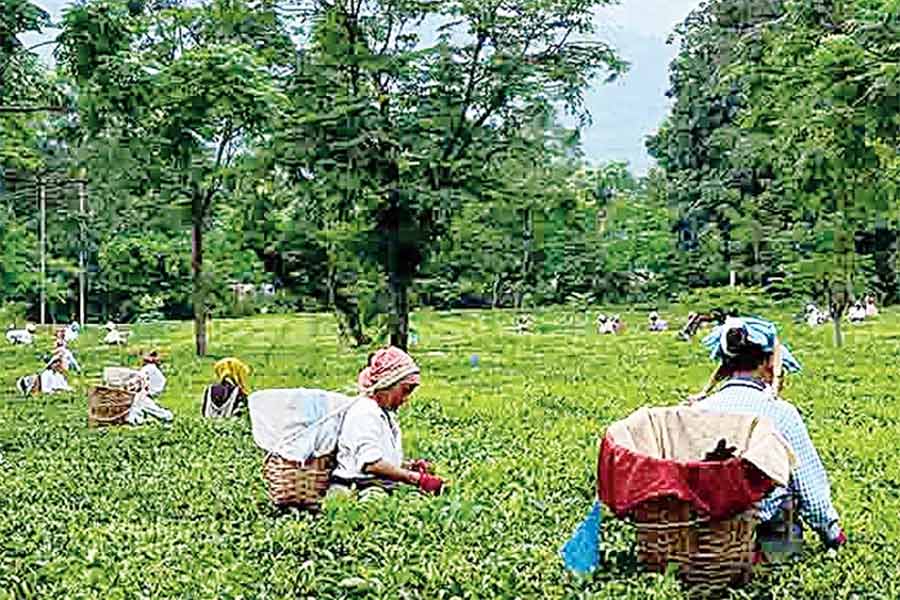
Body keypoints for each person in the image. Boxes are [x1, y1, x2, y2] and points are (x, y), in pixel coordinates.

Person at [692, 317, 846, 554]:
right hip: (766, 534)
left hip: (705, 529)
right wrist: (832, 533)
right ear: (767, 363)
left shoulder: (696, 411)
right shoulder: (780, 412)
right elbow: (808, 485)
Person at [329, 346, 444, 500]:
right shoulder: (365, 412)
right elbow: (371, 465)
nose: (406, 398)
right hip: (355, 486)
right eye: (405, 390)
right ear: (386, 385)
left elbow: (382, 456)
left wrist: (408, 466)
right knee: (376, 501)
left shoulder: (383, 413)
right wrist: (416, 479)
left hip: (378, 483)